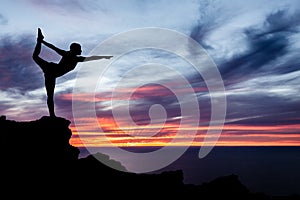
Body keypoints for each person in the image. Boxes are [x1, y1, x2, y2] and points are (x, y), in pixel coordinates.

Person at [32, 28, 113, 117]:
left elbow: (91, 58)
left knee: (35, 57)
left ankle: (39, 40)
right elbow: (53, 47)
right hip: (51, 70)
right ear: (75, 50)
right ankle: (52, 115)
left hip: (51, 71)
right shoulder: (69, 55)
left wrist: (104, 57)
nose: (81, 51)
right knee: (50, 95)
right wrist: (43, 42)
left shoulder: (76, 58)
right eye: (79, 49)